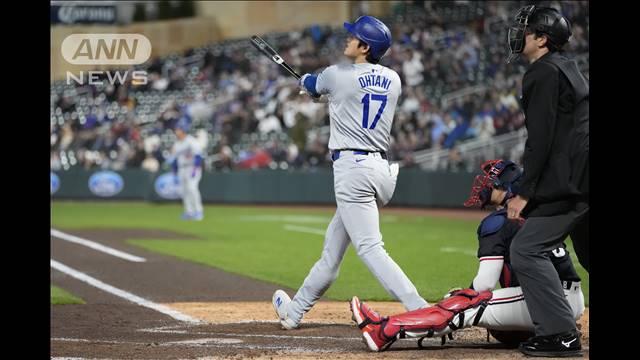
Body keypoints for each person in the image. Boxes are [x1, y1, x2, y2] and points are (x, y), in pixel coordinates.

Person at [271, 15, 429, 330]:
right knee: (332, 250)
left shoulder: (337, 74)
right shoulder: (393, 78)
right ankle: (294, 312)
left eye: (353, 36)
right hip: (380, 170)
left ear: (365, 45)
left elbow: (315, 86)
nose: (347, 39)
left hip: (353, 170)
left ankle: (421, 309)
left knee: (370, 247)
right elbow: (344, 91)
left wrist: (305, 83)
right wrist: (314, 87)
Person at [348, 159, 585, 353]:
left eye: (491, 180)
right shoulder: (537, 214)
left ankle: (384, 331)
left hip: (547, 300)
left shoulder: (498, 221)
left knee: (468, 303)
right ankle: (554, 329)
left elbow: (484, 284)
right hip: (566, 300)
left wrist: (458, 299)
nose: (484, 184)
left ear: (505, 186)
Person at [503, 5, 589, 357]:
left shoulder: (541, 72)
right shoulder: (570, 68)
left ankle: (560, 334)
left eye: (527, 28)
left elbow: (541, 138)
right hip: (584, 175)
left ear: (542, 39)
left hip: (570, 181)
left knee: (525, 250)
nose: (519, 33)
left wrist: (525, 192)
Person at [170, 118, 204, 221]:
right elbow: (175, 159)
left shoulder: (191, 141)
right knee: (183, 191)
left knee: (192, 188)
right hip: (182, 169)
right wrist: (174, 172)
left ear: (183, 130)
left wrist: (195, 168)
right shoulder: (177, 143)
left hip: (192, 167)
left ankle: (198, 211)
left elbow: (198, 156)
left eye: (178, 129)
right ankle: (189, 212)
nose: (176, 131)